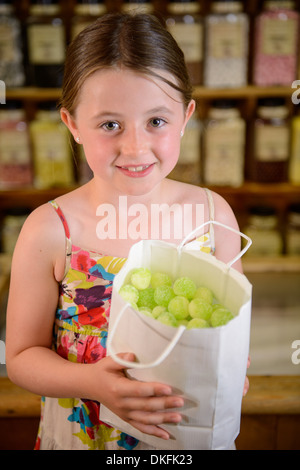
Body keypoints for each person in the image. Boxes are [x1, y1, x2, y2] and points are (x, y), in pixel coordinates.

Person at [5, 12, 248, 450]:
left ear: (186, 115)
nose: (135, 147)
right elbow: (21, 358)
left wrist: (232, 367)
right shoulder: (50, 230)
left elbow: (229, 325)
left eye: (156, 121)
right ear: (73, 125)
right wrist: (93, 383)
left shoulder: (213, 216)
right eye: (109, 124)